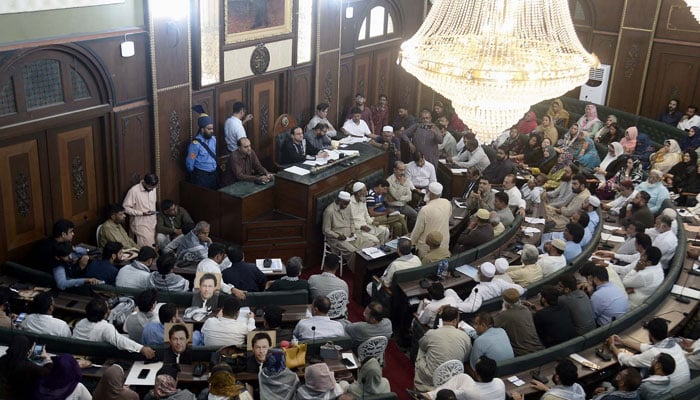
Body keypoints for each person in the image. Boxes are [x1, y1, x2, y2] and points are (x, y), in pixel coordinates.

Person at [609, 318, 690, 388]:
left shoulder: (655, 353)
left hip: (667, 391)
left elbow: (628, 361)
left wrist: (612, 347)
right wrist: (622, 341)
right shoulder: (674, 345)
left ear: (650, 334)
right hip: (683, 388)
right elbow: (644, 347)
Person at [72, 297, 156, 358]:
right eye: (108, 308)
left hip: (76, 352)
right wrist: (141, 348)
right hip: (95, 357)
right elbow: (120, 341)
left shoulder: (80, 323)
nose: (109, 310)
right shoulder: (106, 327)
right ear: (105, 314)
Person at [414, 306, 472, 391]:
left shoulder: (431, 334)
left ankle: (420, 387)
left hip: (430, 377)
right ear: (455, 321)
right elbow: (466, 357)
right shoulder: (465, 336)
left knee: (422, 349)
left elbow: (421, 344)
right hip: (453, 377)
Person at [445, 262, 525, 313]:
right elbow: (520, 289)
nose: (477, 273)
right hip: (487, 308)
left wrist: (452, 305)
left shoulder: (478, 290)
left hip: (465, 309)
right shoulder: (500, 282)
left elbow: (471, 308)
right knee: (449, 291)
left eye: (479, 271)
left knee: (448, 291)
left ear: (482, 275)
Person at [422, 356, 506, 400]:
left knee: (445, 394)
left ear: (477, 375)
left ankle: (429, 394)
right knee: (463, 376)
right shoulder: (500, 383)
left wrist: (430, 395)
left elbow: (451, 393)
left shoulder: (470, 392)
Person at [322, 191, 370, 265]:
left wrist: (353, 231)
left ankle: (368, 267)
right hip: (337, 239)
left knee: (368, 243)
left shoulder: (348, 206)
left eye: (347, 203)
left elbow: (351, 220)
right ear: (339, 200)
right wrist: (338, 236)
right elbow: (326, 230)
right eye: (344, 203)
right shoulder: (329, 211)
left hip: (351, 236)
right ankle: (358, 271)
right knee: (353, 251)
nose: (346, 206)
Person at [494, 288, 545, 356]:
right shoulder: (526, 309)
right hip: (539, 348)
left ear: (505, 303)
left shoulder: (502, 316)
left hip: (522, 353)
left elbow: (492, 326)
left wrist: (502, 312)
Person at [510, 359, 585, 400]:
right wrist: (547, 389)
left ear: (557, 377)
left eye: (554, 371)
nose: (552, 372)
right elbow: (566, 394)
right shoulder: (579, 389)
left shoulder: (549, 398)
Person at [411, 182, 451, 257]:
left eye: (427, 191)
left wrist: (411, 243)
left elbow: (418, 230)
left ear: (431, 194)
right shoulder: (447, 203)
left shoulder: (425, 210)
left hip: (428, 247)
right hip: (444, 244)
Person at [187, 106, 220, 189]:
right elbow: (190, 162)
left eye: (212, 128)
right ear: (202, 130)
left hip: (214, 174)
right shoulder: (195, 144)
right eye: (209, 129)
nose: (212, 131)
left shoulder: (213, 139)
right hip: (202, 176)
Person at [123, 173, 158, 247]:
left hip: (153, 223)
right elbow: (125, 208)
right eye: (150, 187)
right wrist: (141, 213)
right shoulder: (134, 191)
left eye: (154, 187)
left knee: (156, 246)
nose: (152, 189)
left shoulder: (153, 189)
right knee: (148, 248)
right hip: (140, 224)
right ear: (144, 183)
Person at [387, 161, 419, 227]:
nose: (403, 172)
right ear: (395, 170)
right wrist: (401, 185)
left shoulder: (405, 179)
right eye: (401, 170)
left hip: (403, 205)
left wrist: (399, 199)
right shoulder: (389, 181)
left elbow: (409, 197)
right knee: (400, 223)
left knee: (417, 216)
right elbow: (397, 196)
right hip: (392, 207)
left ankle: (411, 230)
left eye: (404, 170)